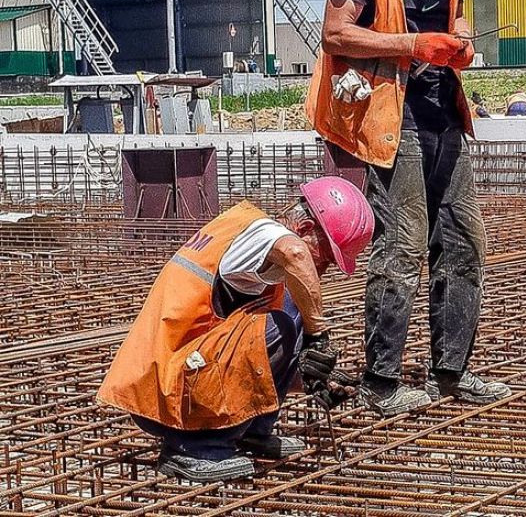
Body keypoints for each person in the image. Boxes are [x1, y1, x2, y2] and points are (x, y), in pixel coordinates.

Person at [305, 0, 510, 417]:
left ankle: (453, 370)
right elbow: (335, 34)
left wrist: (460, 42)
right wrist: (412, 44)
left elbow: (460, 14)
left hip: (444, 111)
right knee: (402, 245)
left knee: (466, 241)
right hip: (391, 118)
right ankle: (382, 380)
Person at [97, 177, 374, 482]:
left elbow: (244, 351)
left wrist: (309, 378)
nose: (325, 269)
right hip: (163, 395)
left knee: (290, 311)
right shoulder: (264, 235)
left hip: (182, 376)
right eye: (326, 257)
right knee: (283, 321)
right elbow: (296, 254)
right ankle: (193, 447)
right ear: (306, 229)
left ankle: (251, 431)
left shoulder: (259, 253)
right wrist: (318, 335)